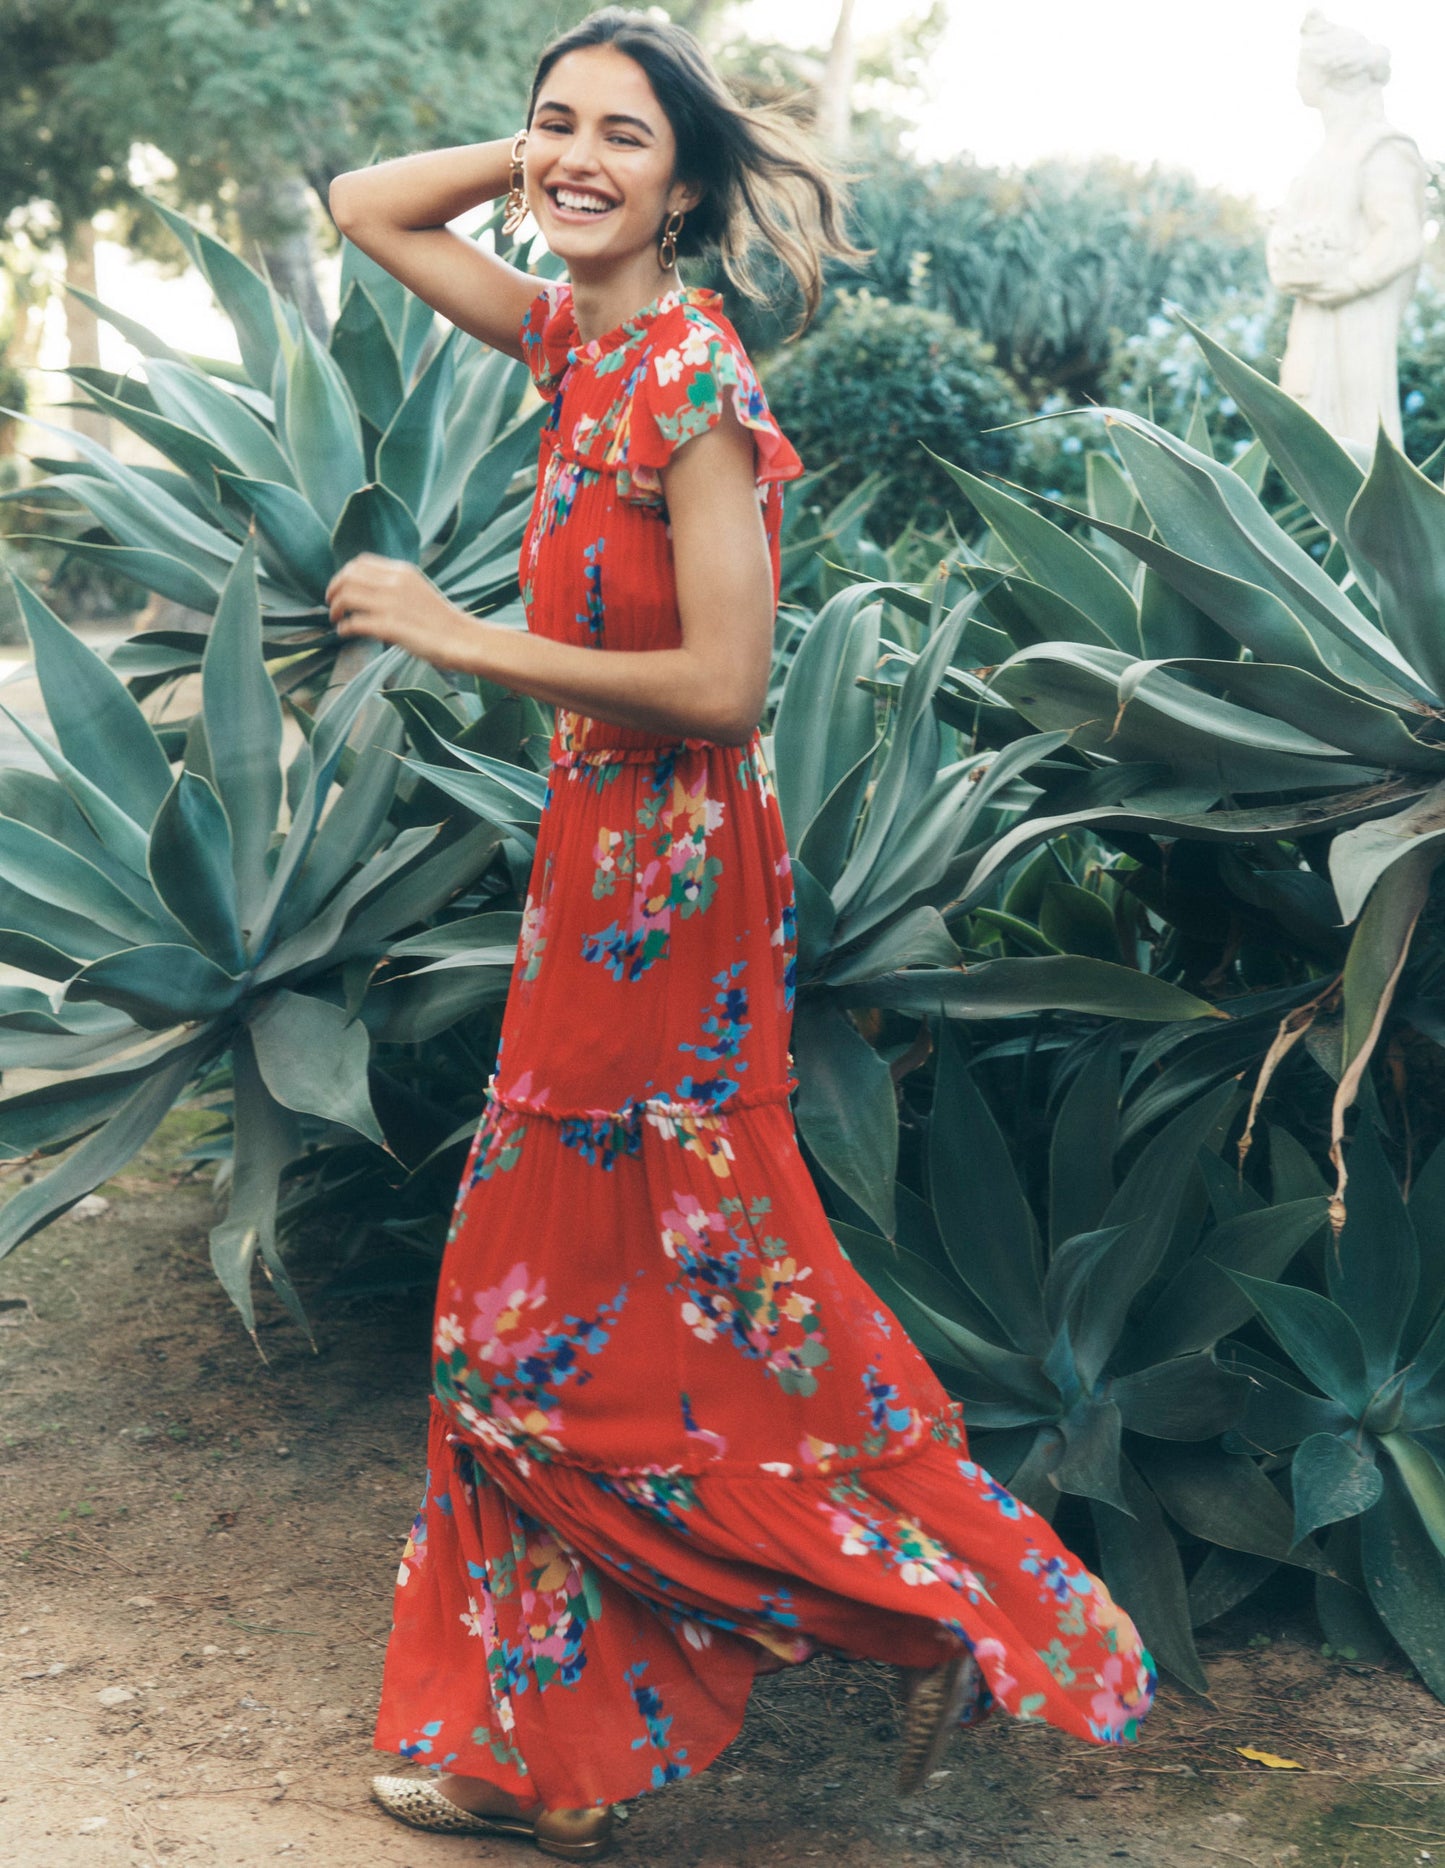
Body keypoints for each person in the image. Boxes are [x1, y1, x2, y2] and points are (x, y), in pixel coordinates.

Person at [325, 9, 1157, 1860]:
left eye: (627, 139)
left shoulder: (686, 374)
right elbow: (369, 206)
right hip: (591, 865)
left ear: (691, 187)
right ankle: (551, 1748)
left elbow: (721, 682)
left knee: (535, 1315)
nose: (572, 160)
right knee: (593, 1311)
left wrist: (458, 638)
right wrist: (544, 151)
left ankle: (913, 1602)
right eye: (556, 130)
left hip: (673, 880)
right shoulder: (573, 332)